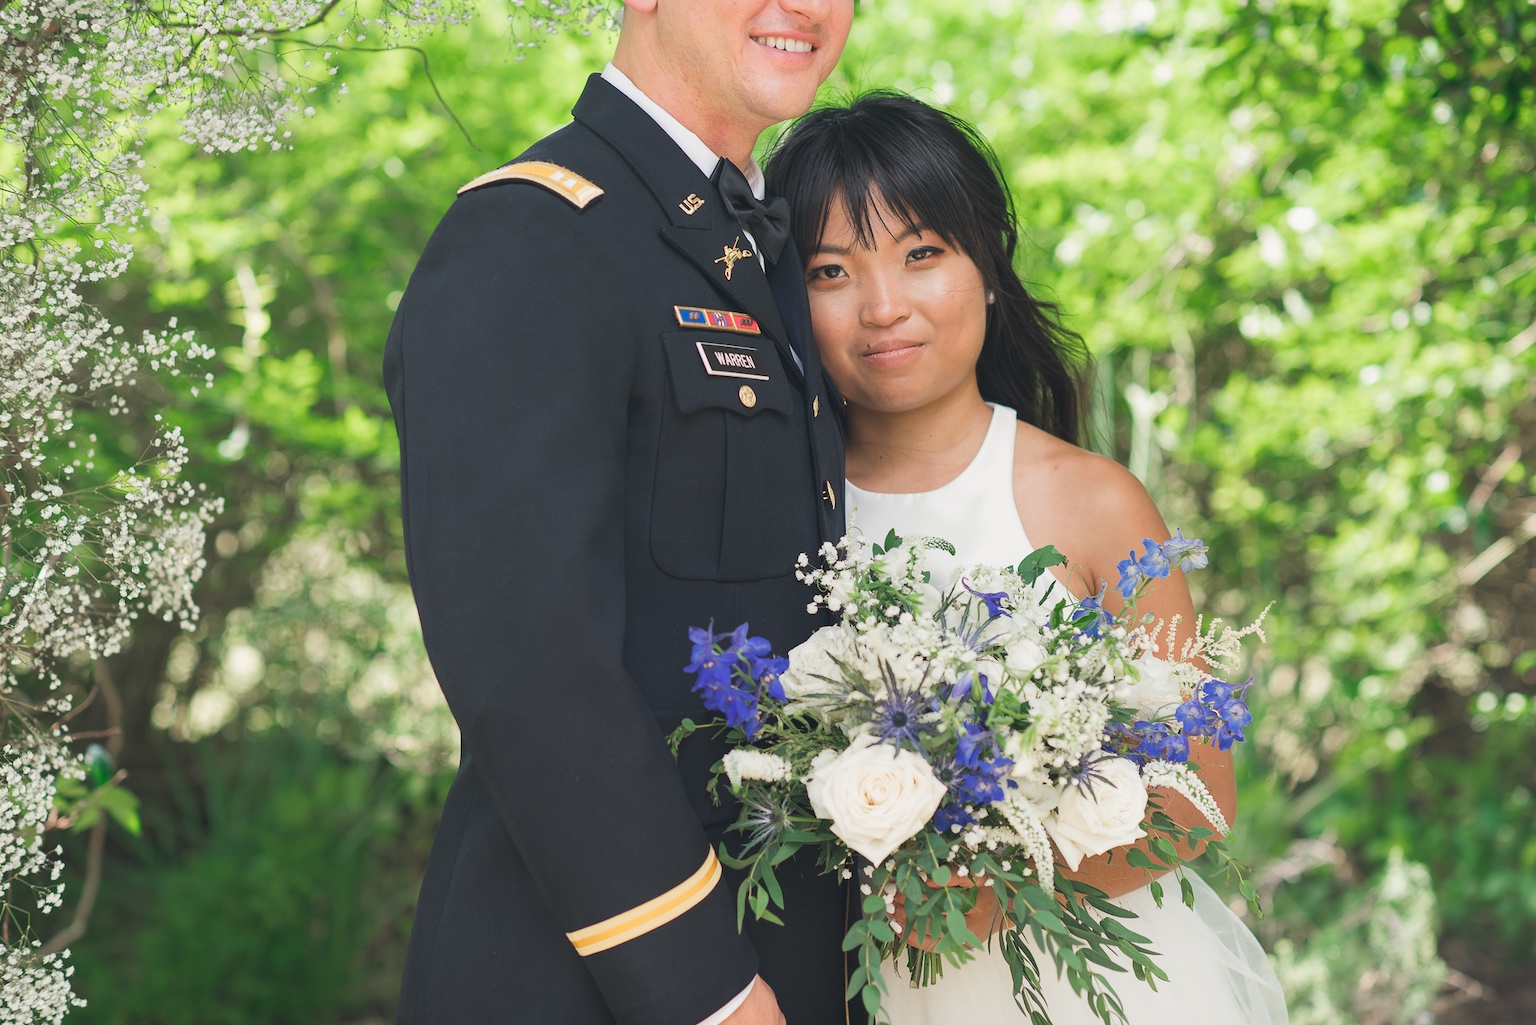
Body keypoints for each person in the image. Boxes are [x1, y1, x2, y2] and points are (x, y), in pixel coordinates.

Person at [764, 93, 1289, 1024]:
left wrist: (989, 896)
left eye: (922, 254)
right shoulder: (768, 505)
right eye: (831, 270)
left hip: (1090, 982)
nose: (884, 307)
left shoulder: (1091, 501)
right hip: (847, 986)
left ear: (989, 270)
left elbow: (1201, 791)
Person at [382, 2, 856, 1023]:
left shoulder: (760, 244)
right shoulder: (530, 236)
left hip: (783, 955)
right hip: (602, 975)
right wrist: (707, 987)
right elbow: (525, 660)